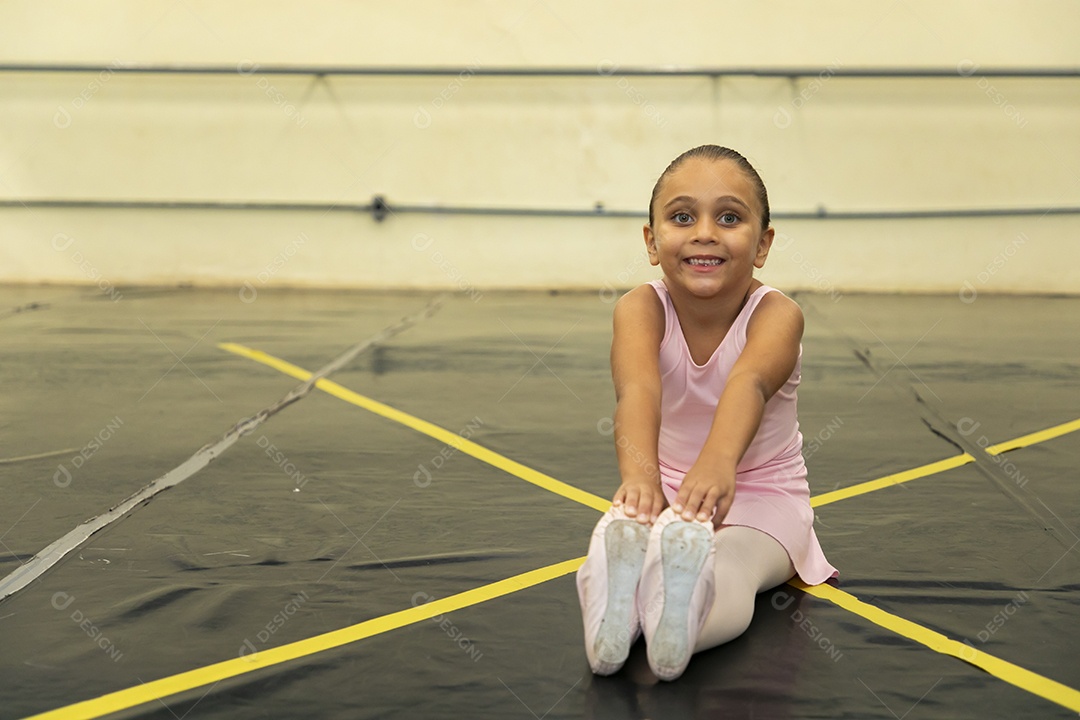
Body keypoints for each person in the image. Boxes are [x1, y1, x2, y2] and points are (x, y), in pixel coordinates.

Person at [576, 145, 837, 681]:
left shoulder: (778, 315)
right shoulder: (639, 308)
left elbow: (750, 383)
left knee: (734, 564)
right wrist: (640, 480)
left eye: (729, 217)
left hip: (762, 495)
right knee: (632, 531)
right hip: (668, 485)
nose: (704, 233)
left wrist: (719, 463)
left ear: (763, 244)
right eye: (681, 216)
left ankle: (672, 617)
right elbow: (638, 392)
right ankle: (617, 613)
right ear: (651, 241)